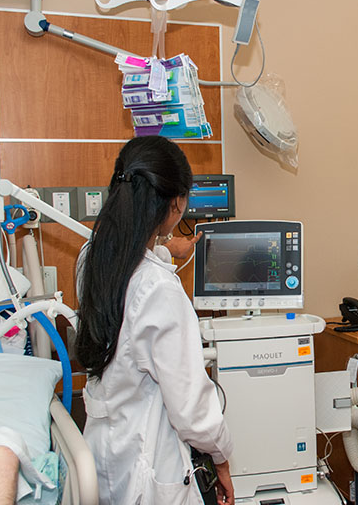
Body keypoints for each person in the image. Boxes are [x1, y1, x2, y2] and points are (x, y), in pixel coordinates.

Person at [75, 136, 235, 505]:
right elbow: (192, 410)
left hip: (103, 453)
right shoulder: (161, 290)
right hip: (147, 468)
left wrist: (162, 248)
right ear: (176, 202)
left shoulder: (92, 258)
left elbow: (130, 273)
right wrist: (222, 456)